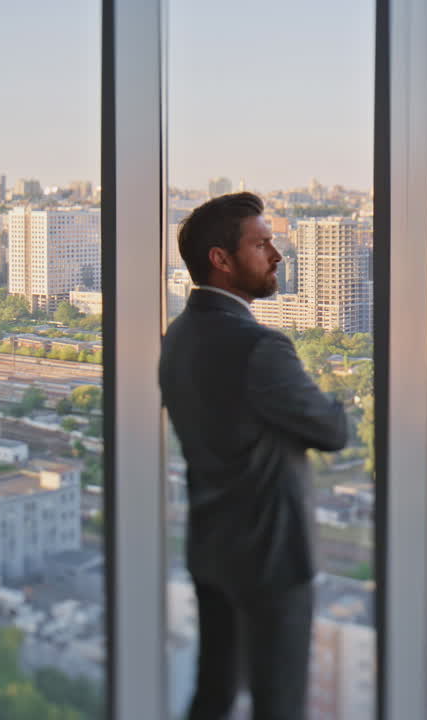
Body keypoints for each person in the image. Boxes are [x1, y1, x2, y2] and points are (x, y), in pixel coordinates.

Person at [159, 192, 349, 720]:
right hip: (271, 561)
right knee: (279, 704)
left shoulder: (177, 336)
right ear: (221, 259)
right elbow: (333, 430)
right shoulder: (259, 347)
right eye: (262, 243)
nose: (277, 255)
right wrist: (334, 395)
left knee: (213, 695)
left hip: (212, 549)